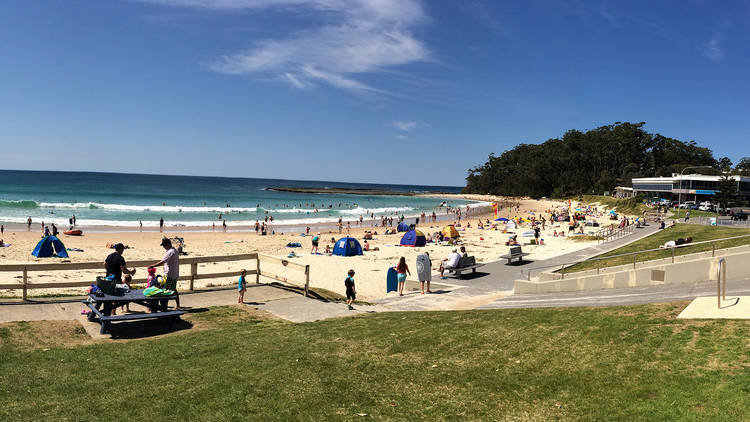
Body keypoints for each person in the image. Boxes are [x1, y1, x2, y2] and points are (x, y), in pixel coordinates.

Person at [148, 237, 180, 309]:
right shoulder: (175, 250)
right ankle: (177, 305)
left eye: (164, 245)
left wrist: (152, 266)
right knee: (173, 289)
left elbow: (162, 262)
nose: (163, 247)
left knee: (167, 290)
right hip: (175, 273)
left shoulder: (170, 252)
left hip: (169, 274)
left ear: (168, 244)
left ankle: (165, 306)